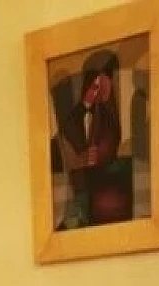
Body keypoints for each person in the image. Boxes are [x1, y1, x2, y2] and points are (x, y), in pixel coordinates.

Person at [54, 53, 129, 227]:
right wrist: (86, 103)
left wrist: (97, 156)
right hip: (83, 180)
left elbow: (111, 143)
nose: (99, 90)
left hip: (102, 179)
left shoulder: (108, 114)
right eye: (94, 85)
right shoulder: (80, 113)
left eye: (102, 84)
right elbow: (70, 128)